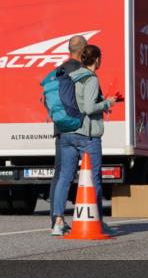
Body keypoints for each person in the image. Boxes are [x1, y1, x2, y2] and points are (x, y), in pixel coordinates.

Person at [49, 44, 119, 236]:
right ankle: (97, 222)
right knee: (94, 178)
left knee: (65, 177)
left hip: (67, 133)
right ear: (97, 60)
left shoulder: (71, 76)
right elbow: (89, 108)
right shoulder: (91, 79)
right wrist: (107, 103)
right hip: (86, 136)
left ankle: (58, 222)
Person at [47, 34, 88, 229]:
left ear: (69, 50)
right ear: (84, 51)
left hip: (61, 127)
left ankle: (56, 220)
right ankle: (95, 219)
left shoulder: (58, 71)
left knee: (60, 175)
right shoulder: (83, 72)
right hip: (80, 128)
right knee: (91, 172)